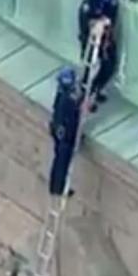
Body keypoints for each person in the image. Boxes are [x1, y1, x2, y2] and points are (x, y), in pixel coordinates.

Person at [48, 67, 83, 197]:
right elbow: (70, 117)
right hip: (64, 138)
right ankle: (58, 188)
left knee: (58, 161)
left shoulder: (61, 96)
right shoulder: (65, 100)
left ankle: (55, 186)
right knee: (62, 163)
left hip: (60, 135)